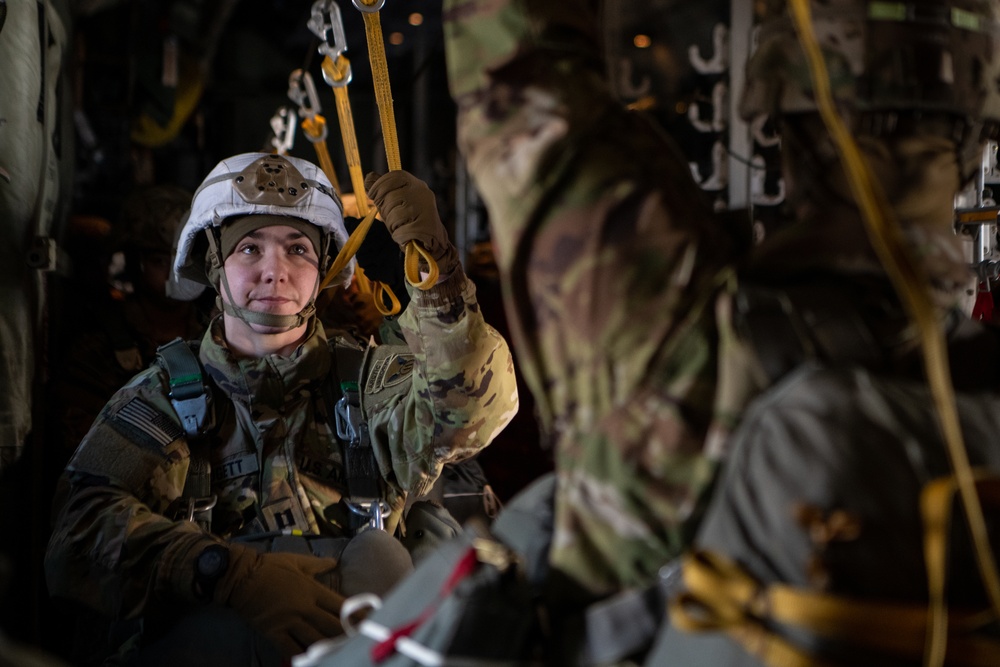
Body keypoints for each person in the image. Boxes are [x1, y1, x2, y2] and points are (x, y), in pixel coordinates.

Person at [435, 0, 1000, 664]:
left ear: (781, 112)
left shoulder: (681, 338)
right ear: (978, 128)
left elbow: (522, 74)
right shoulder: (980, 390)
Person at [44, 152, 519, 666]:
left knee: (381, 556)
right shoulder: (159, 397)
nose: (275, 272)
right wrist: (228, 575)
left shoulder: (367, 381)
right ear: (214, 265)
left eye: (297, 249)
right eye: (250, 248)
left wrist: (436, 277)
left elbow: (470, 407)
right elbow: (77, 536)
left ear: (324, 271)